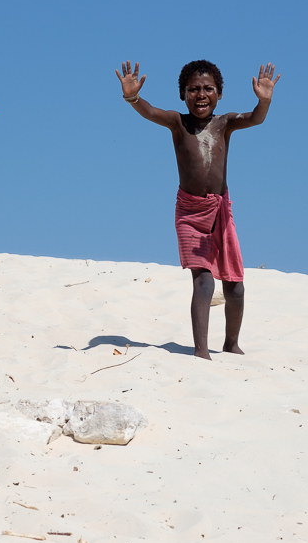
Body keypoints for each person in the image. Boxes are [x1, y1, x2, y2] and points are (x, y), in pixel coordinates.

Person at [115, 59, 279, 359]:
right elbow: (151, 112)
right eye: (193, 89)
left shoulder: (225, 123)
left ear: (219, 94)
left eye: (208, 89)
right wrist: (132, 97)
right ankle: (201, 350)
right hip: (190, 214)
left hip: (220, 213)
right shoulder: (178, 123)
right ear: (182, 94)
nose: (200, 95)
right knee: (203, 280)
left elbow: (256, 119)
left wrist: (264, 101)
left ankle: (231, 342)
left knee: (236, 288)